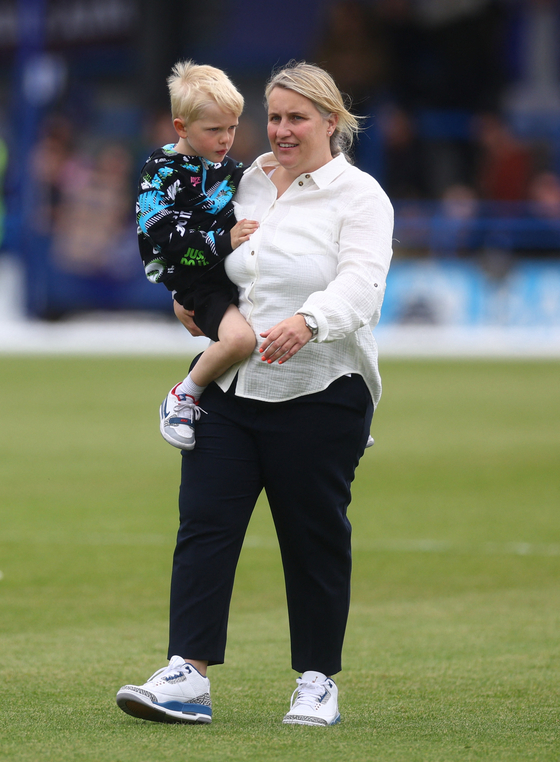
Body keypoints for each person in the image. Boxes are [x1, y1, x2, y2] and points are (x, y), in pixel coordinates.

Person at [117, 61, 393, 727]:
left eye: (297, 117)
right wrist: (192, 303)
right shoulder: (242, 179)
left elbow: (364, 283)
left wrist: (309, 321)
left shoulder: (360, 197)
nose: (281, 130)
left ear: (332, 121)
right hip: (234, 391)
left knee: (314, 537)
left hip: (323, 389)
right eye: (274, 116)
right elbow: (201, 253)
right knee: (206, 526)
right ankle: (187, 674)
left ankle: (316, 680)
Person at [137, 60, 258, 450]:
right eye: (215, 130)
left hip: (233, 273)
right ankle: (183, 396)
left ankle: (331, 407)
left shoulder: (230, 169)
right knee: (240, 341)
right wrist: (225, 242)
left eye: (232, 128)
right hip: (198, 283)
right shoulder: (159, 173)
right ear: (181, 127)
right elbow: (163, 235)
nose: (226, 139)